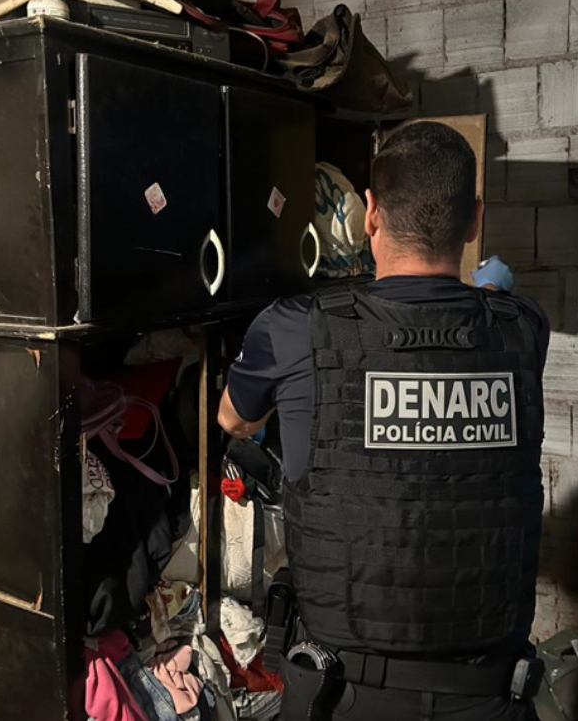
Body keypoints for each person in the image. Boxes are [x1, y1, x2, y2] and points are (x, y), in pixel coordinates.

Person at [218, 122, 550, 721]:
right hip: (491, 695)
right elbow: (462, 338)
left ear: (370, 214)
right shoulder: (524, 328)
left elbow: (233, 420)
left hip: (341, 697)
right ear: (474, 220)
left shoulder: (293, 328)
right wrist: (487, 290)